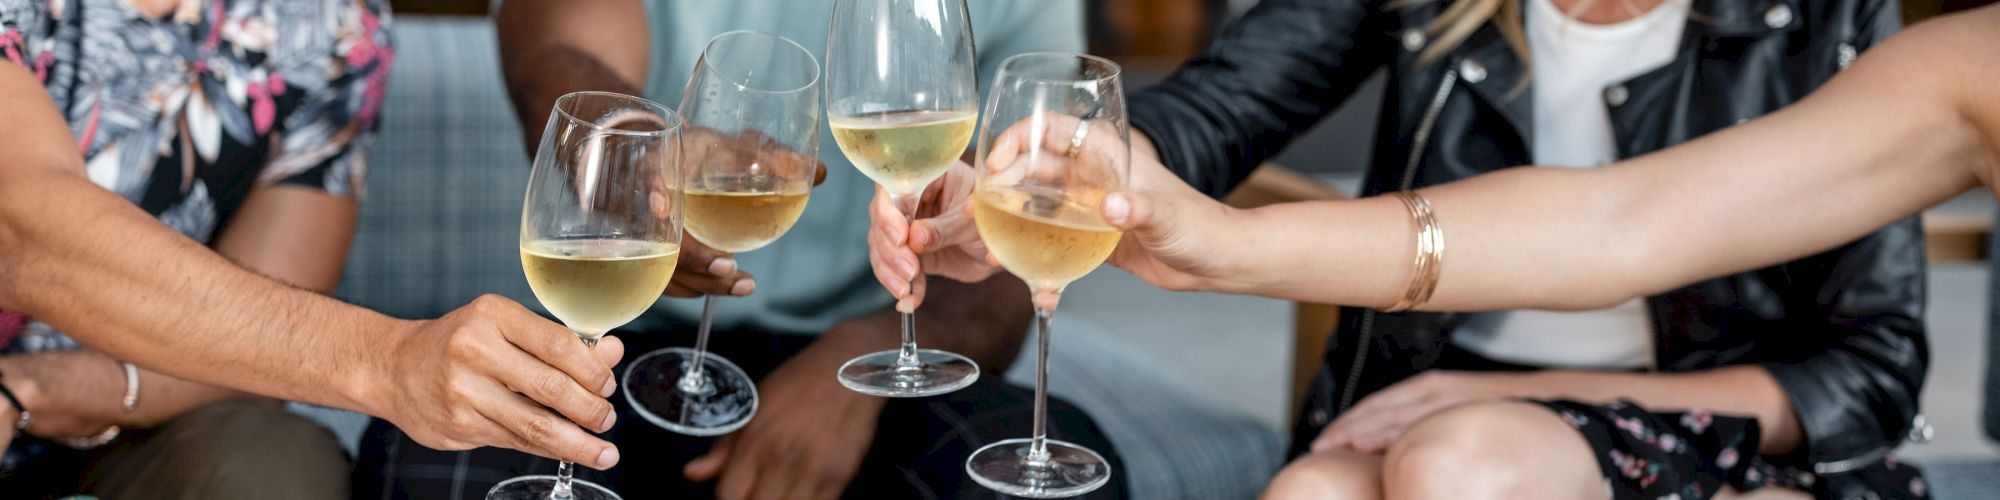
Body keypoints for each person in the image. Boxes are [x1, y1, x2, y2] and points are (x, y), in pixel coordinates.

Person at [874, 0, 1938, 498]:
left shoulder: (1825, 20)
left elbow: (1871, 374)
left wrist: (1532, 396)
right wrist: (1060, 176)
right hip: (1428, 393)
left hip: (1711, 422)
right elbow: (1214, 110)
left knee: (1458, 461)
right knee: (1308, 495)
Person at [349, 1, 1129, 498]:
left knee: (1058, 480)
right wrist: (636, 156)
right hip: (632, 340)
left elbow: (1014, 236)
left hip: (871, 355)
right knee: (423, 461)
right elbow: (557, 43)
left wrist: (855, 362)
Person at [0, 0, 630, 493]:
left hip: (127, 407)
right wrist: (389, 359)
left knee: (275, 462)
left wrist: (34, 391)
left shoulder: (332, 25)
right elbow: (22, 228)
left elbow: (257, 350)